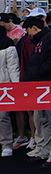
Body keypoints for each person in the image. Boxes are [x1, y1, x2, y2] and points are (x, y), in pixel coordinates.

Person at [23, 15, 51, 169]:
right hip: (41, 87)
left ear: (34, 27)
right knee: (44, 120)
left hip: (49, 86)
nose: (28, 34)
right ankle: (46, 150)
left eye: (28, 30)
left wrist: (38, 73)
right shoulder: (41, 40)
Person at [0, 25, 19, 156]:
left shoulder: (7, 44)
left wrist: (16, 86)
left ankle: (6, 143)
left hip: (3, 83)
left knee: (2, 117)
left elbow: (13, 67)